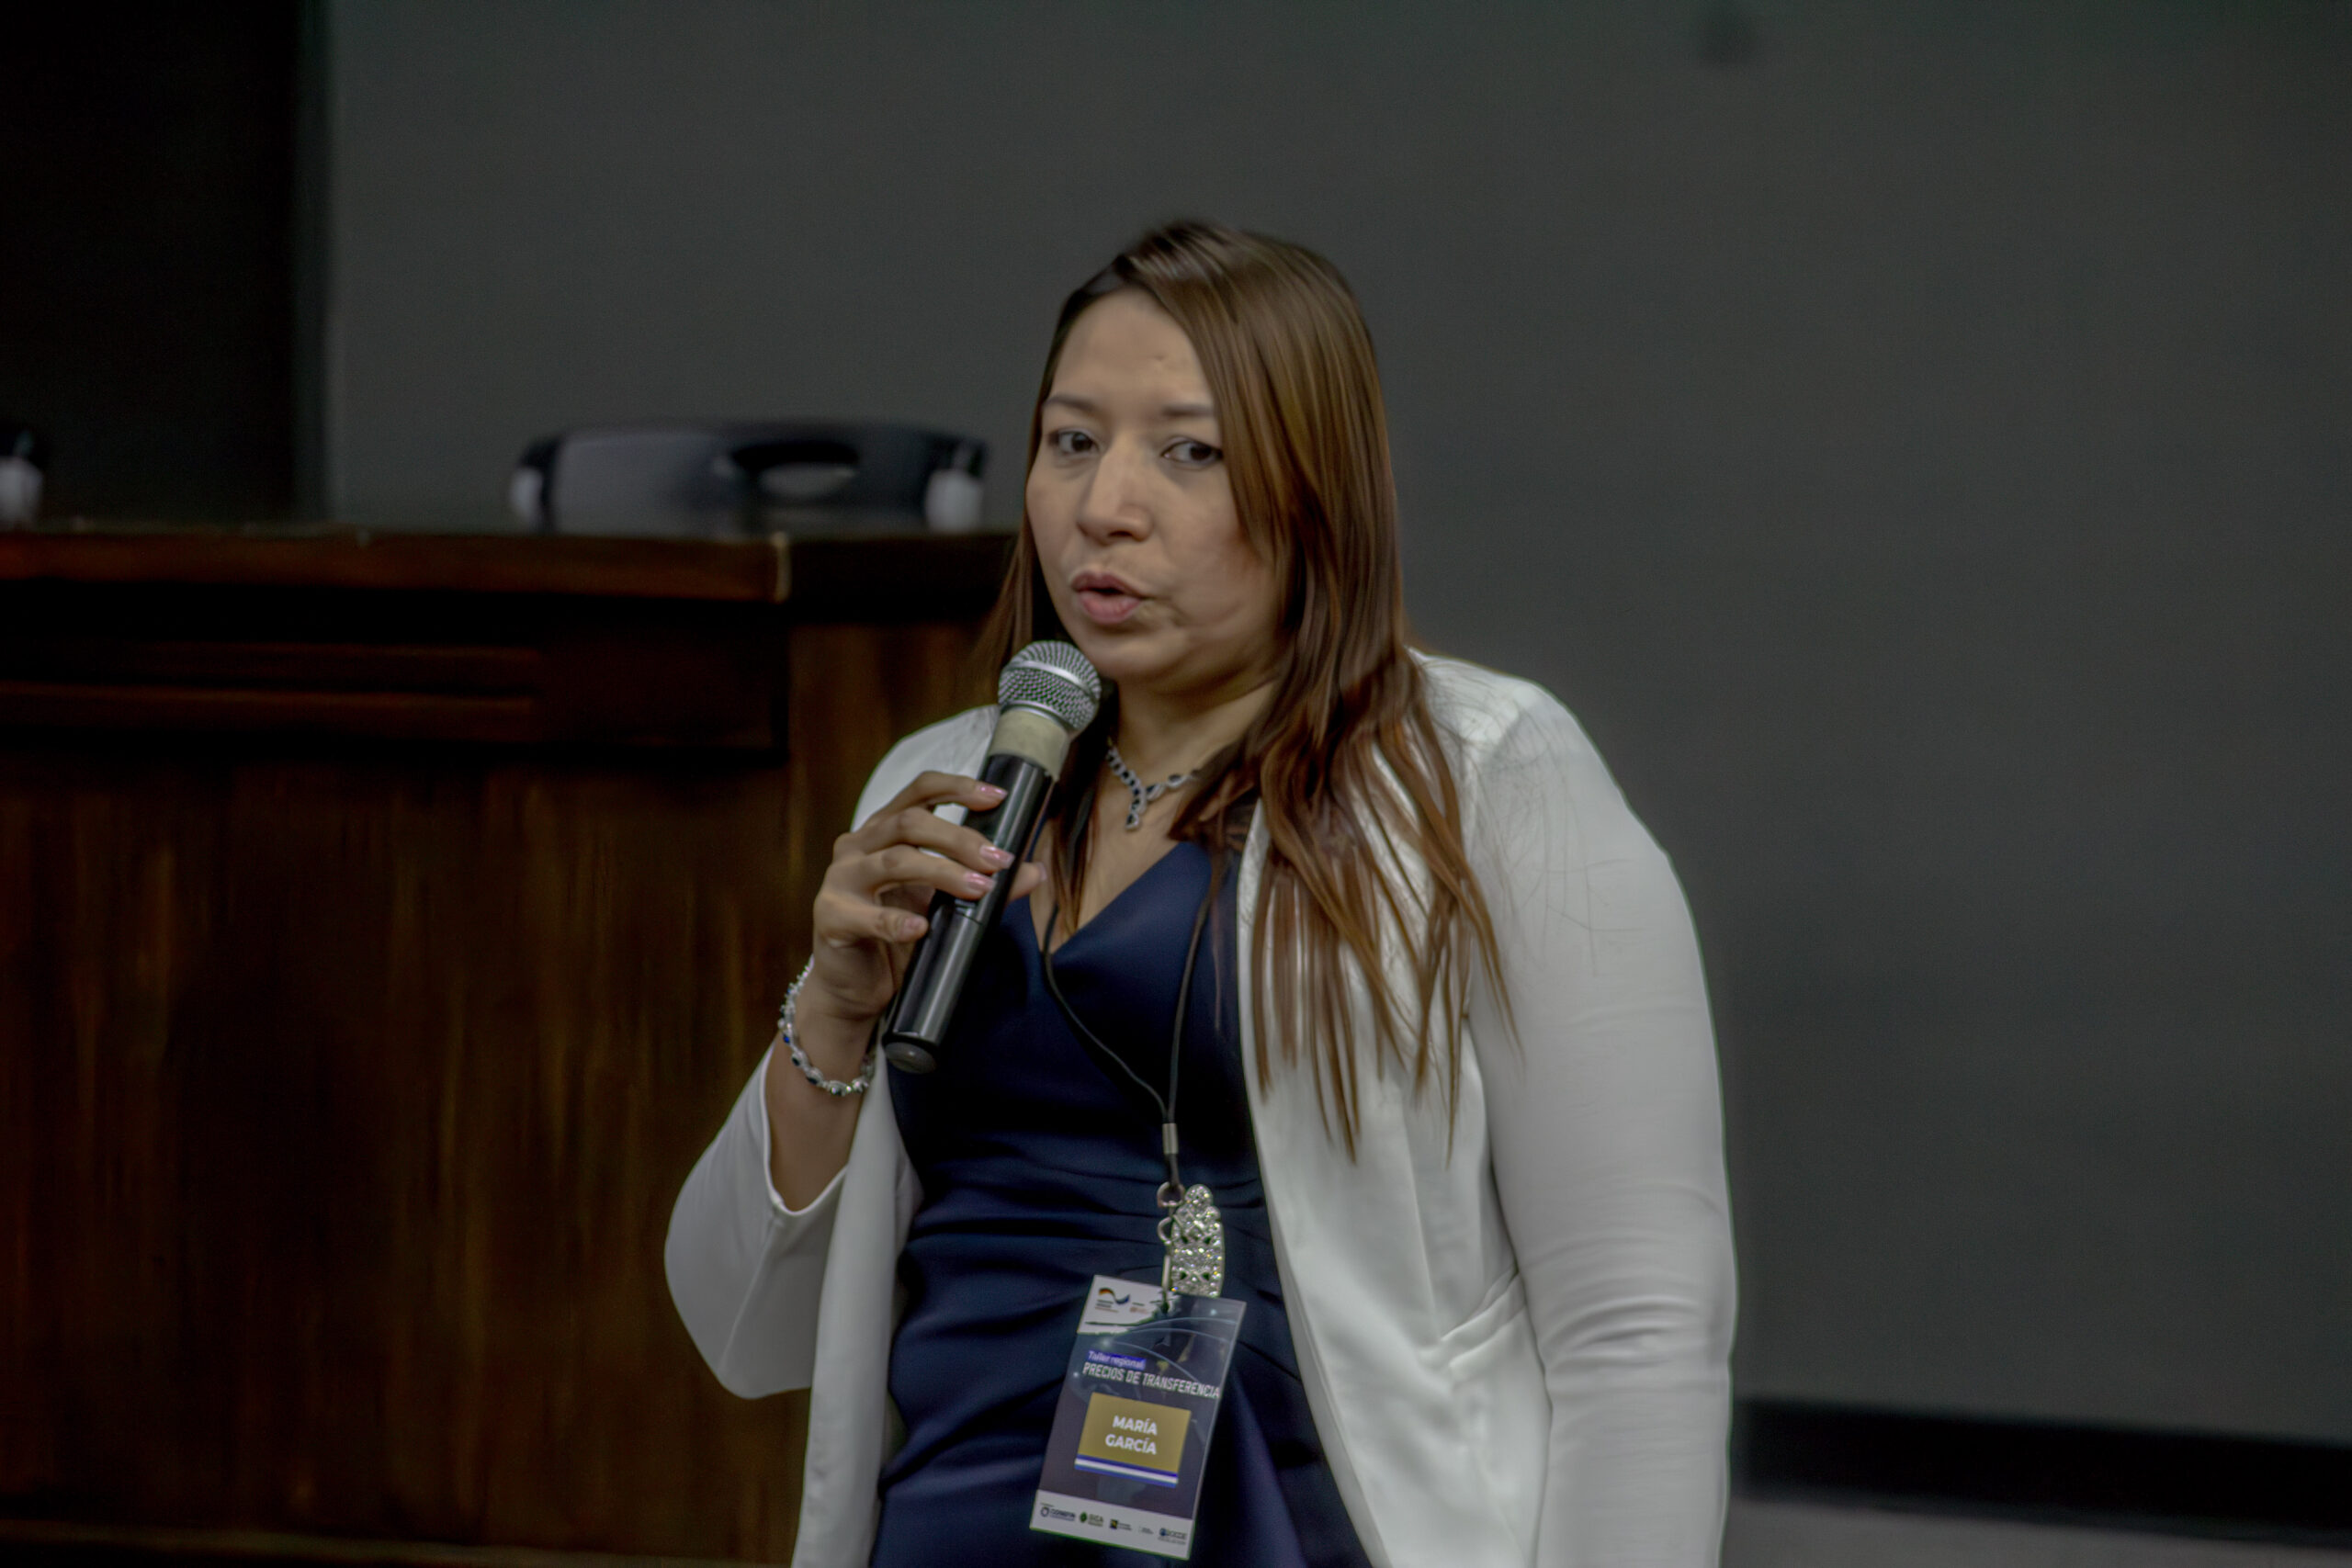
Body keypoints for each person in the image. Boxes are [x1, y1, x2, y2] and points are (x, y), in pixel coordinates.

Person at [666, 220, 1736, 1566]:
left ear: (1316, 489)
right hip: (953, 1524)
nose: (1105, 505)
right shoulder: (947, 785)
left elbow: (1640, 1329)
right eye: (1070, 441)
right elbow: (747, 1329)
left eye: (1189, 452)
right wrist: (829, 1011)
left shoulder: (1481, 777)